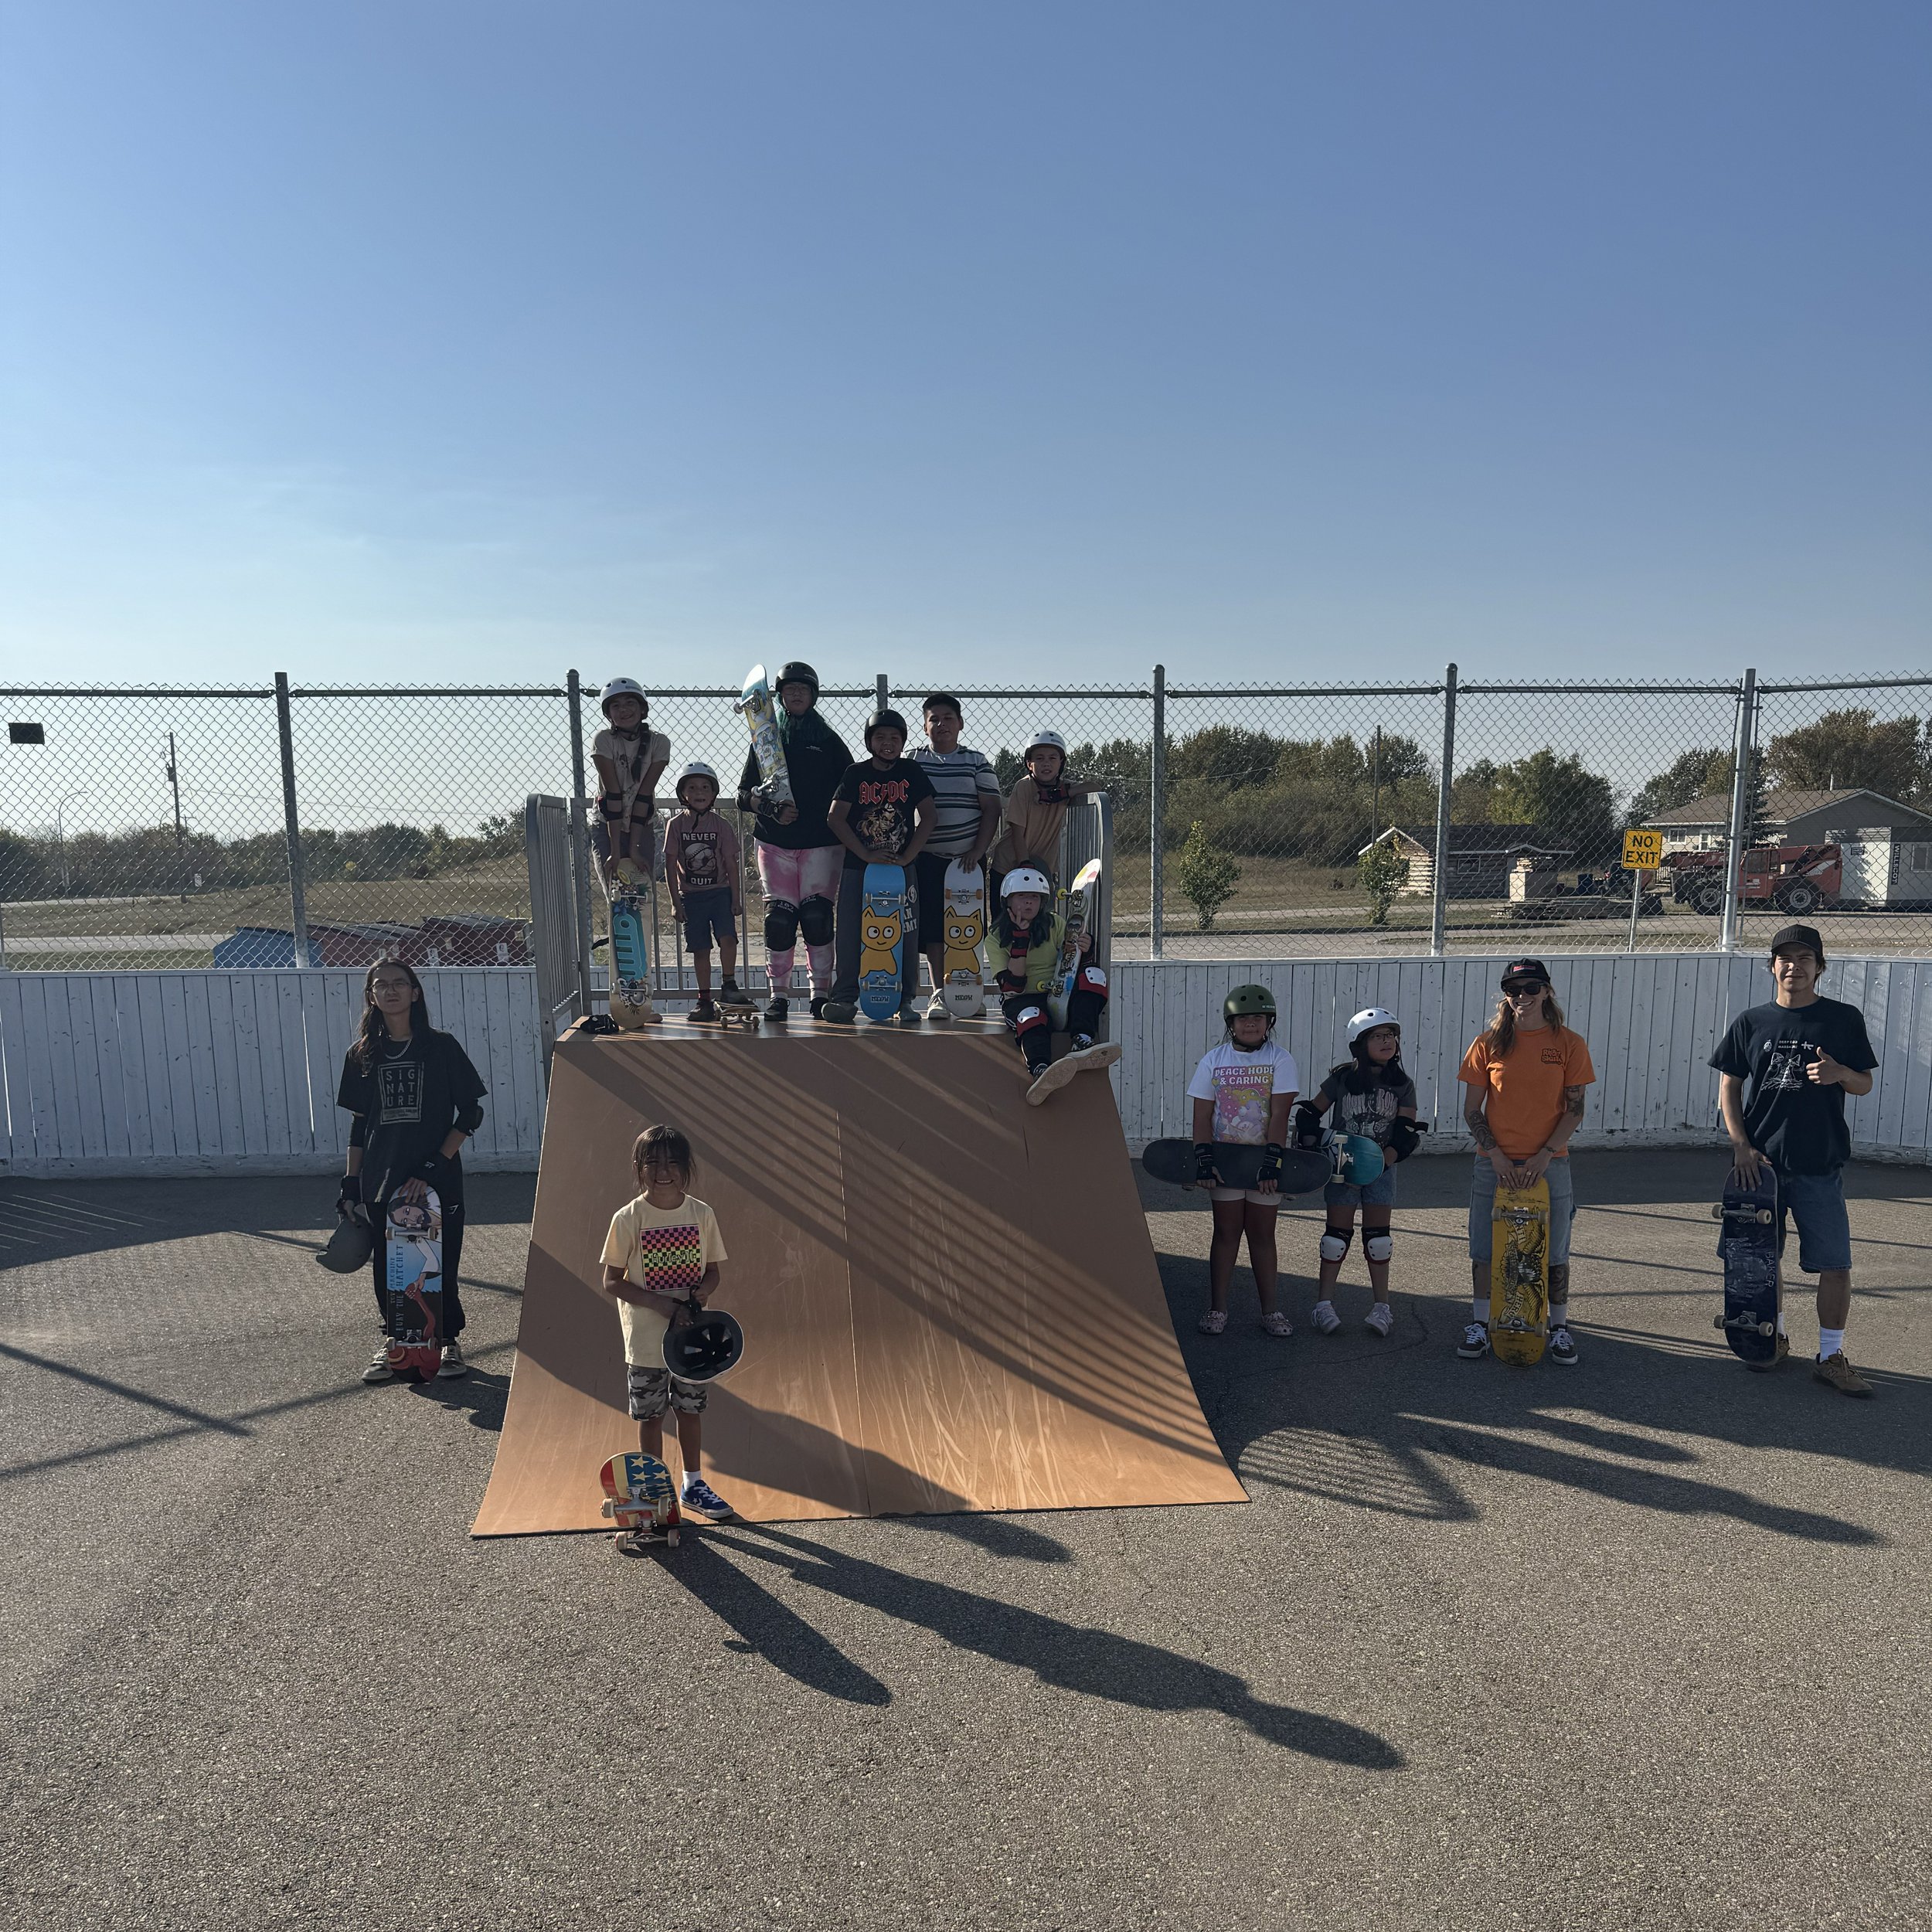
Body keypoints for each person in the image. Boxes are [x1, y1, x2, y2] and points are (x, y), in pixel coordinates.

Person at [1710, 923, 1878, 1396]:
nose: (1794, 966)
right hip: (1759, 1167)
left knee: (1835, 1263)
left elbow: (1863, 1083)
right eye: (1785, 958)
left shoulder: (1842, 1020)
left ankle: (1830, 1355)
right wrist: (1741, 1145)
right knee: (1760, 1260)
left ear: (1819, 968)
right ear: (1772, 967)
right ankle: (1771, 1338)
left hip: (1819, 1163)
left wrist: (1840, 1071)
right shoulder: (1751, 1021)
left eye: (1805, 959)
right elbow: (1730, 1086)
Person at [335, 961, 487, 1383]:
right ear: (371, 997)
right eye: (380, 985)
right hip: (383, 1179)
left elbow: (471, 1111)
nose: (390, 991)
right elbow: (358, 1124)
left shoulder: (441, 1047)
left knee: (440, 1259)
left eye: (400, 983)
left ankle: (448, 1342)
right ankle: (397, 1343)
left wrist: (435, 1164)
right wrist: (350, 1184)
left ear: (415, 992)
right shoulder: (362, 1054)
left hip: (436, 1177)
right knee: (389, 1265)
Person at [1458, 957, 1595, 1366]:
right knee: (1485, 1244)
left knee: (1553, 1249)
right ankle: (1481, 1324)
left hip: (1550, 1162)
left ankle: (1560, 1329)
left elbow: (1575, 1110)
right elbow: (1472, 1111)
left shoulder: (1569, 1043)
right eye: (1514, 990)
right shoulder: (1488, 1044)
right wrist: (1496, 1155)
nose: (1523, 997)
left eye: (1531, 989)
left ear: (1547, 992)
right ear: (1506, 996)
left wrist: (1545, 1154)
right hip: (1493, 1162)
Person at [598, 1124, 736, 1530]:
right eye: (653, 1163)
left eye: (673, 1163)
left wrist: (701, 1295)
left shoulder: (701, 1214)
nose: (663, 1171)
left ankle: (693, 1485)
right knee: (651, 1416)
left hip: (691, 1341)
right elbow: (611, 1279)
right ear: (639, 1168)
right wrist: (660, 1303)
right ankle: (655, 1491)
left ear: (686, 1168)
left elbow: (712, 1273)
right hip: (645, 1342)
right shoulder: (628, 1218)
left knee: (689, 1411)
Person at [736, 661, 853, 1022]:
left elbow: (851, 786)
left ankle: (820, 994)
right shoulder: (767, 741)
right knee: (780, 920)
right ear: (780, 696)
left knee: (818, 916)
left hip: (822, 843)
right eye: (790, 689)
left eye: (803, 689)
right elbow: (743, 795)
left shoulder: (829, 741)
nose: (797, 694)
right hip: (775, 842)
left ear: (814, 695)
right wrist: (770, 807)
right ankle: (779, 996)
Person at [1295, 1006, 1420, 1338]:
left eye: (1391, 1035)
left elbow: (1407, 1131)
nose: (1387, 1041)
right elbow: (1311, 1113)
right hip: (1342, 1170)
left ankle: (1382, 1308)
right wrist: (1312, 1142)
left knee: (1379, 1240)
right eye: (1378, 1036)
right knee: (1335, 1240)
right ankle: (1323, 1305)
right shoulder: (1342, 1078)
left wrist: (1385, 1160)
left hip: (1382, 1170)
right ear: (1359, 1044)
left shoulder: (1402, 1083)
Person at [1183, 985, 1299, 1337]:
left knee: (1262, 1235)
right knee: (1226, 1233)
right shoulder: (1214, 1060)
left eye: (1258, 1018)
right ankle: (1217, 1308)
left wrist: (1273, 1162)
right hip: (1227, 1161)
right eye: (1244, 1018)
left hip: (1264, 1160)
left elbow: (1280, 1115)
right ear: (1231, 1023)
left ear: (1269, 1022)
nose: (1251, 1024)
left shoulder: (1280, 1059)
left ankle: (1270, 1311)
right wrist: (1203, 1158)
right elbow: (1202, 1115)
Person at [820, 709, 937, 1025]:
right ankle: (845, 999)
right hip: (860, 868)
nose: (888, 743)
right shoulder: (855, 774)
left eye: (895, 738)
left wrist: (910, 856)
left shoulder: (911, 772)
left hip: (901, 869)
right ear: (870, 741)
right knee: (850, 933)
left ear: (903, 742)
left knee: (906, 932)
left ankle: (905, 999)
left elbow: (929, 817)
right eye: (881, 737)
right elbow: (835, 818)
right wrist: (865, 853)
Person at [988, 867, 1121, 1104]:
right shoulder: (996, 937)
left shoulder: (1055, 924)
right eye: (1022, 896)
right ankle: (1041, 1070)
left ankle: (1082, 1039)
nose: (1029, 901)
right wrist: (1020, 939)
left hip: (1060, 994)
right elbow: (1013, 986)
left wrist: (1084, 947)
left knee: (1093, 975)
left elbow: (1072, 963)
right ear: (1007, 900)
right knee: (1031, 1015)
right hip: (1022, 1000)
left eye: (1035, 897)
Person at [910, 693, 1002, 1020]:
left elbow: (992, 809)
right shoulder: (912, 761)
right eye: (934, 719)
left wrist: (978, 851)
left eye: (948, 718)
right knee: (934, 930)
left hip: (966, 863)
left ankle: (967, 992)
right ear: (924, 727)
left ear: (960, 723)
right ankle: (939, 994)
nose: (941, 724)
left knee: (968, 929)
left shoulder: (977, 761)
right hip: (927, 858)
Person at [663, 761, 748, 1023]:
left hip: (720, 892)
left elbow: (732, 865)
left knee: (728, 938)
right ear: (682, 794)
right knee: (700, 949)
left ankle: (729, 985)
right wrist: (676, 902)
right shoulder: (675, 825)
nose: (699, 792)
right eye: (692, 787)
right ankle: (704, 1000)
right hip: (692, 896)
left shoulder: (721, 825)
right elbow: (669, 864)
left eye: (705, 787)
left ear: (713, 794)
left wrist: (736, 898)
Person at [988, 729, 1100, 900]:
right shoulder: (1024, 787)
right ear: (1029, 764)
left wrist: (1060, 794)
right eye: (1039, 759)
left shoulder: (1063, 787)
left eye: (1052, 758)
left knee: (1039, 921)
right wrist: (1024, 865)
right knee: (1006, 922)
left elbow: (1094, 786)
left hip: (1041, 868)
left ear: (1061, 762)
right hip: (1010, 866)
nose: (1046, 763)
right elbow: (1017, 833)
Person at [590, 678, 670, 889]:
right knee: (616, 895)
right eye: (616, 706)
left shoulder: (659, 743)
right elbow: (613, 796)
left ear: (642, 709)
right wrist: (615, 852)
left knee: (640, 892)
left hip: (641, 822)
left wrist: (635, 849)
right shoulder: (604, 740)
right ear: (608, 714)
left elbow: (644, 796)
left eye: (629, 703)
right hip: (608, 823)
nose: (623, 710)